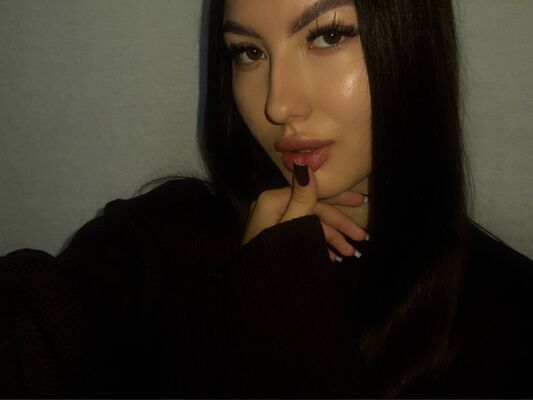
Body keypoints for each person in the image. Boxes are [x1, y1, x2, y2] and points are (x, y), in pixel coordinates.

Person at [1, 0, 532, 397]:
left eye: (327, 36)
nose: (278, 104)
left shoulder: (508, 318)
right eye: (249, 52)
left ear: (411, 43)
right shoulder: (163, 236)